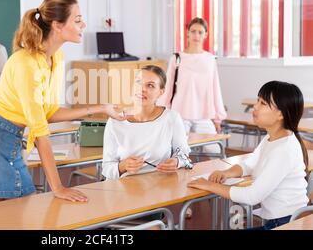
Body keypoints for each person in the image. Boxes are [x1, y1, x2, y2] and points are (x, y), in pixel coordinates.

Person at [0, 0, 126, 213]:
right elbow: (40, 131)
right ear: (57, 25)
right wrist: (58, 187)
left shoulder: (56, 58)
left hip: (10, 143)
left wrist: (101, 108)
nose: (84, 24)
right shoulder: (25, 63)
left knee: (26, 219)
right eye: (78, 19)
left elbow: (49, 111)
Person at [188, 81, 309, 230]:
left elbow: (252, 196)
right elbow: (250, 165)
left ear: (280, 114)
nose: (255, 106)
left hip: (288, 224)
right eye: (257, 100)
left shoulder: (284, 149)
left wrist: (209, 185)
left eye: (263, 103)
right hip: (279, 222)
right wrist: (226, 173)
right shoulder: (272, 138)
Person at [102, 65, 192, 180]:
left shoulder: (172, 118)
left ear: (161, 92)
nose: (142, 89)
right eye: (138, 82)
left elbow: (184, 154)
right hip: (125, 188)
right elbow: (107, 168)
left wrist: (177, 161)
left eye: (150, 85)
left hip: (161, 185)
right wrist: (122, 166)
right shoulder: (115, 121)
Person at [159, 17, 226, 153]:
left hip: (204, 115)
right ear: (187, 33)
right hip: (180, 114)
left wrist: (218, 118)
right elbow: (168, 88)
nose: (196, 35)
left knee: (215, 151)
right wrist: (161, 112)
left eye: (200, 32)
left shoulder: (210, 59)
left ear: (205, 35)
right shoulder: (177, 58)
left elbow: (215, 89)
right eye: (193, 31)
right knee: (178, 153)